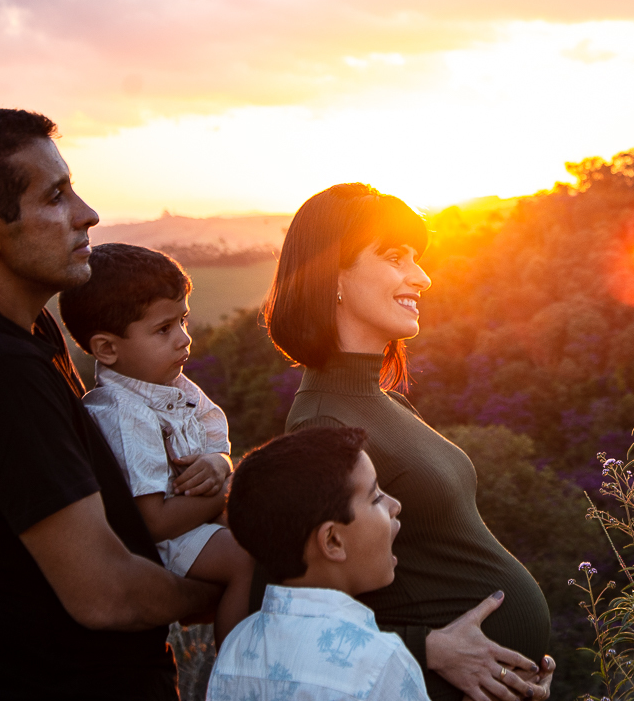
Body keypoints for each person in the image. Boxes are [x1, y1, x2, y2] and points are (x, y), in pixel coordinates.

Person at [0, 109, 221, 700]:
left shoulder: (17, 330)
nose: (87, 213)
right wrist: (227, 593)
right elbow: (106, 593)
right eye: (56, 195)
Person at [263, 183, 555, 701]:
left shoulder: (386, 403)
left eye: (416, 258)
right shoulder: (324, 424)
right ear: (333, 275)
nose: (421, 277)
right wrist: (430, 649)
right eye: (395, 257)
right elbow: (297, 613)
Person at [58, 243, 254, 646]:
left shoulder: (172, 384)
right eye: (164, 329)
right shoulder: (122, 413)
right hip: (167, 546)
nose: (185, 340)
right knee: (248, 560)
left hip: (198, 521)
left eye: (182, 321)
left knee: (278, 528)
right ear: (107, 348)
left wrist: (220, 462)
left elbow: (214, 429)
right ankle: (239, 671)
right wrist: (222, 493)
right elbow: (154, 522)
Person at [209, 426, 430, 701]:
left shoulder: (235, 649)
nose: (394, 505)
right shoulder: (379, 661)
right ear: (333, 540)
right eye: (375, 497)